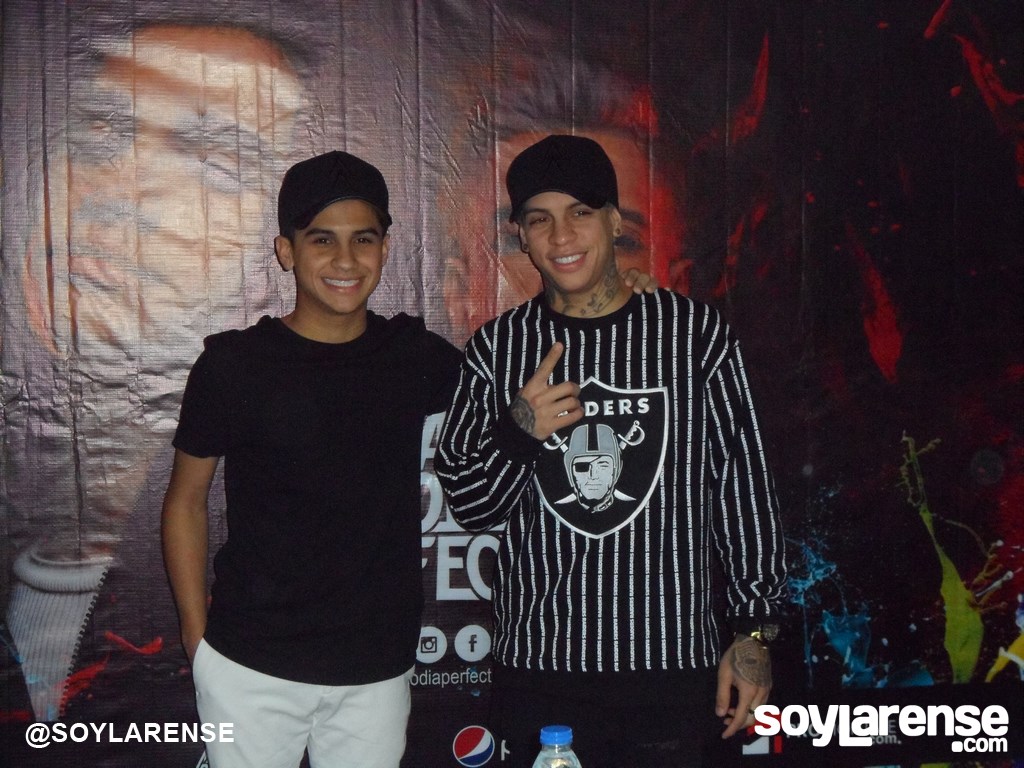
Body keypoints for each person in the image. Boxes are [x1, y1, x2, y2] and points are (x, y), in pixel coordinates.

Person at [436, 134, 787, 767]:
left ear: (614, 222)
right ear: (521, 237)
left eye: (580, 212)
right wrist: (519, 431)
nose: (561, 236)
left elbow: (744, 488)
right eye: (539, 219)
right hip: (541, 668)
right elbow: (471, 505)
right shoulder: (497, 349)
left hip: (671, 666)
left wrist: (753, 631)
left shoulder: (693, 336)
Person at [161, 150, 464, 767]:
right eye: (322, 239)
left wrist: (624, 290)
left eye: (363, 239)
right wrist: (197, 639)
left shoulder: (415, 356)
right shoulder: (234, 366)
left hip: (376, 668)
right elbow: (186, 501)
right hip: (250, 663)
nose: (345, 260)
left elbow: (518, 366)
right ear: (286, 251)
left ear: (384, 249)